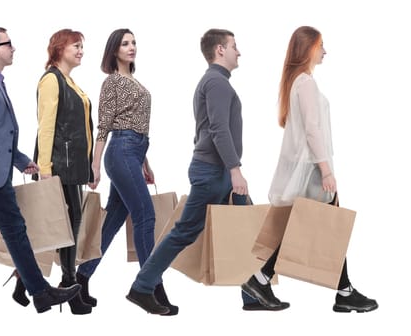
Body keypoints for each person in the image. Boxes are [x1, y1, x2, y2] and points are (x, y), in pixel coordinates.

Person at [239, 25, 378, 313]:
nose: (325, 51)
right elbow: (313, 131)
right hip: (313, 168)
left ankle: (338, 290)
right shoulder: (306, 83)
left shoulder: (298, 82)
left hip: (307, 167)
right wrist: (326, 170)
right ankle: (266, 279)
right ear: (309, 49)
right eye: (321, 45)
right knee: (326, 224)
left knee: (320, 225)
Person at [0, 27, 81, 314]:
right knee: (15, 230)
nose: (14, 48)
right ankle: (40, 291)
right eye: (8, 43)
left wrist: (22, 160)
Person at [127, 28, 248, 315]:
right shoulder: (217, 83)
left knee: (247, 228)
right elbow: (219, 130)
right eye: (234, 46)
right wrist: (235, 170)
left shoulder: (215, 82)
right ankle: (141, 287)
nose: (238, 51)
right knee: (185, 231)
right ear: (220, 50)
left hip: (216, 170)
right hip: (214, 172)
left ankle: (254, 292)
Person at [74, 28, 164, 312]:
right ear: (114, 50)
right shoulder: (112, 81)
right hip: (120, 151)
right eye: (125, 43)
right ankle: (148, 288)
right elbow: (105, 126)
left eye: (134, 42)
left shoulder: (134, 81)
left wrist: (145, 163)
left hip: (134, 154)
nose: (131, 47)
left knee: (112, 221)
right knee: (145, 216)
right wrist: (95, 164)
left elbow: (139, 127)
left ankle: (81, 278)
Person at [29, 28, 94, 314]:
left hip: (72, 165)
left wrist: (90, 164)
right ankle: (69, 286)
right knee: (67, 226)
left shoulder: (69, 81)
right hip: (58, 165)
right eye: (75, 46)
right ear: (59, 48)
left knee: (69, 226)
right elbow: (46, 126)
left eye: (82, 46)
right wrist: (45, 168)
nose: (80, 50)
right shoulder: (51, 80)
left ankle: (41, 283)